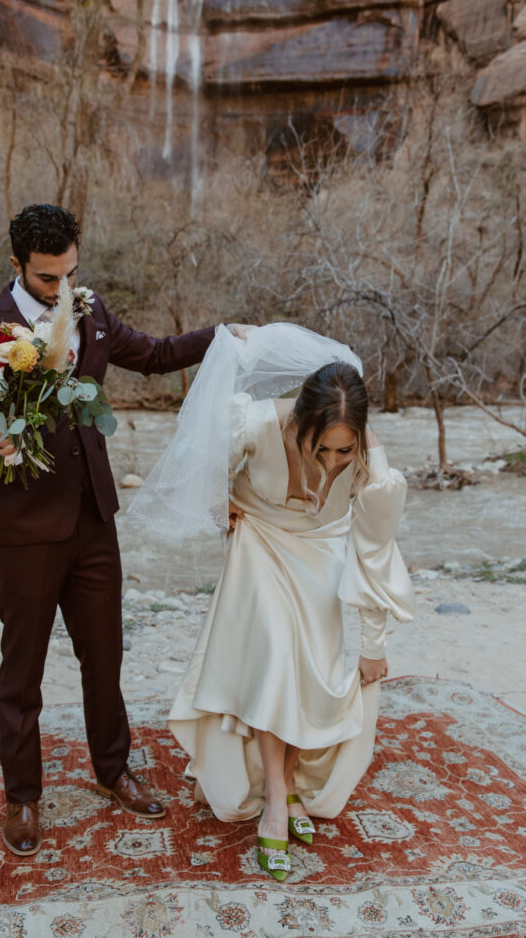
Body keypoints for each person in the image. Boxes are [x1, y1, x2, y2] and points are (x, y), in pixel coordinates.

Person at [0, 203, 249, 856]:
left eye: (70, 274)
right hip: (24, 526)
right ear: (16, 266)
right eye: (47, 278)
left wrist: (221, 337)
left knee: (104, 658)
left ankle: (113, 770)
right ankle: (23, 798)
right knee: (21, 672)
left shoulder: (90, 309)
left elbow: (155, 354)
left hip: (94, 521)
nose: (62, 289)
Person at [132, 325, 415, 882]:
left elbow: (375, 552)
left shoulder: (373, 472)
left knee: (312, 678)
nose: (333, 463)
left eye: (345, 450)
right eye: (322, 448)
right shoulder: (255, 423)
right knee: (276, 661)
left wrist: (374, 645)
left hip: (323, 555)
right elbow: (202, 463)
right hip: (259, 542)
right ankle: (279, 797)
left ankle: (283, 786)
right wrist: (220, 507)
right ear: (298, 424)